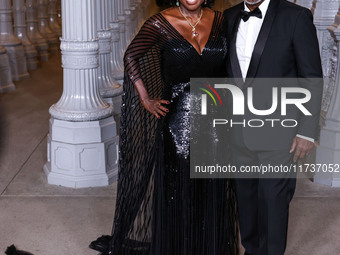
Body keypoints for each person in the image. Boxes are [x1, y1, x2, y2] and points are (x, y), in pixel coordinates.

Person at [90, 1, 239, 254]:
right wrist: (146, 98)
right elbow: (131, 56)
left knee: (212, 184)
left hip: (215, 117)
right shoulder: (160, 22)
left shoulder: (221, 20)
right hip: (178, 121)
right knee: (179, 186)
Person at [223, 0, 323, 254]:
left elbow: (311, 78)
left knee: (273, 202)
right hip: (237, 130)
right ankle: (252, 249)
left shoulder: (296, 17)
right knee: (246, 202)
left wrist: (306, 131)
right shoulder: (228, 17)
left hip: (281, 131)